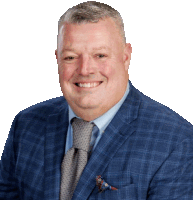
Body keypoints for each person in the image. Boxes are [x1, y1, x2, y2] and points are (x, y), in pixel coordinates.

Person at [0, 1, 193, 199]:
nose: (85, 70)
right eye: (71, 57)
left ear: (126, 57)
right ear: (57, 59)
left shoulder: (176, 140)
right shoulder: (25, 125)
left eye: (100, 55)